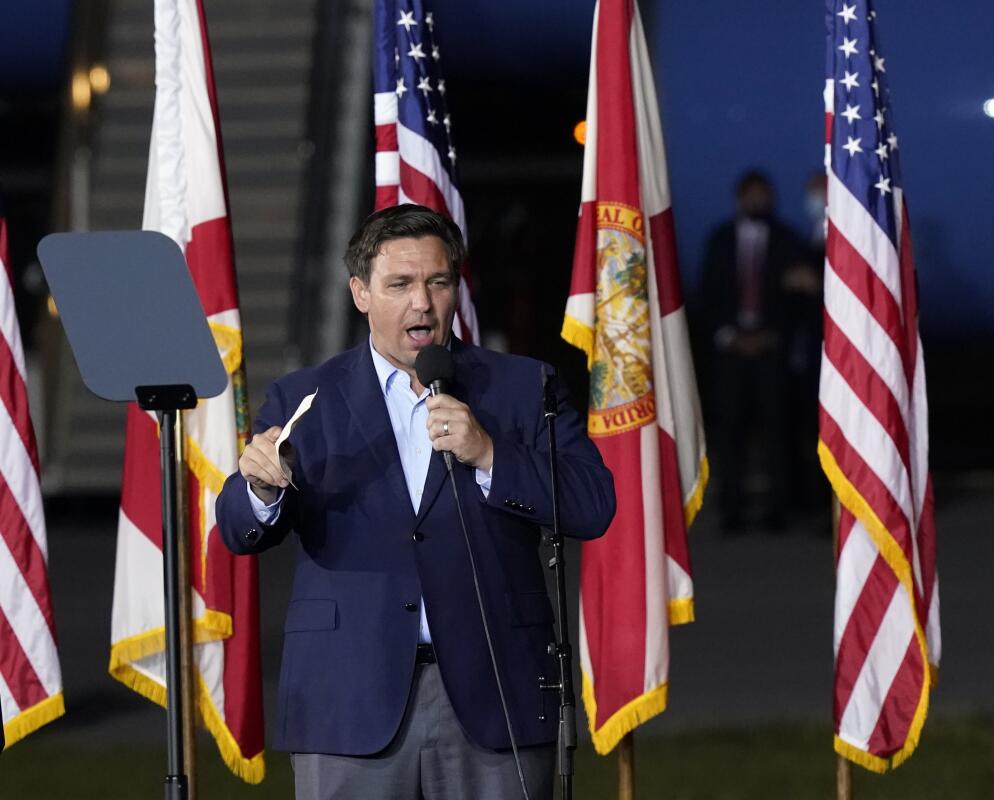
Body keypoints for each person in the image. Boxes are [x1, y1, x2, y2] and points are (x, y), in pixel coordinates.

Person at [215, 204, 616, 800]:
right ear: (360, 293)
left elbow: (593, 504)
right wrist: (263, 488)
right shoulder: (306, 397)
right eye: (400, 285)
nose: (422, 304)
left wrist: (490, 455)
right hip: (349, 697)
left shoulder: (524, 387)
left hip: (494, 692)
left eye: (438, 282)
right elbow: (237, 529)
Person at [695, 170, 821, 532]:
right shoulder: (720, 239)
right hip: (730, 351)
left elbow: (799, 301)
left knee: (777, 429)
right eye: (751, 195)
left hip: (772, 350)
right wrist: (727, 335)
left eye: (763, 195)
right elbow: (707, 292)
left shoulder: (787, 239)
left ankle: (778, 508)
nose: (757, 202)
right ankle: (731, 508)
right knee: (729, 430)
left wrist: (774, 336)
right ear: (738, 199)